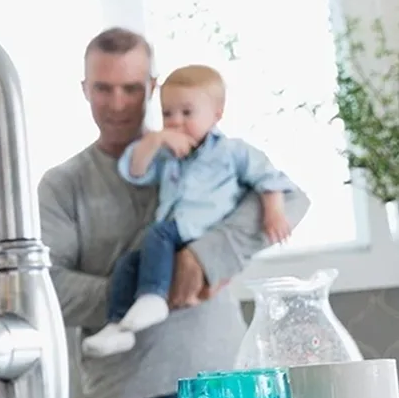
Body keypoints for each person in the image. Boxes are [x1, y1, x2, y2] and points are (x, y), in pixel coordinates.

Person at [38, 27, 310, 398]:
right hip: (129, 391)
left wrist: (204, 257)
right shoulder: (62, 184)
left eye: (130, 88)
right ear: (84, 89)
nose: (117, 103)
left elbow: (289, 197)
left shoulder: (201, 152)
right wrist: (154, 289)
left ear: (151, 88)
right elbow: (49, 290)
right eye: (103, 88)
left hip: (224, 371)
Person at [81, 64, 298, 358]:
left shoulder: (232, 151)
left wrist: (274, 212)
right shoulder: (170, 156)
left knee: (155, 234)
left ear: (216, 114)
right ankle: (118, 327)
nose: (175, 122)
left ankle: (153, 297)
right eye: (167, 114)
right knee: (128, 264)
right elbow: (135, 170)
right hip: (172, 235)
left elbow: (269, 179)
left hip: (198, 229)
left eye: (187, 113)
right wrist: (156, 139)